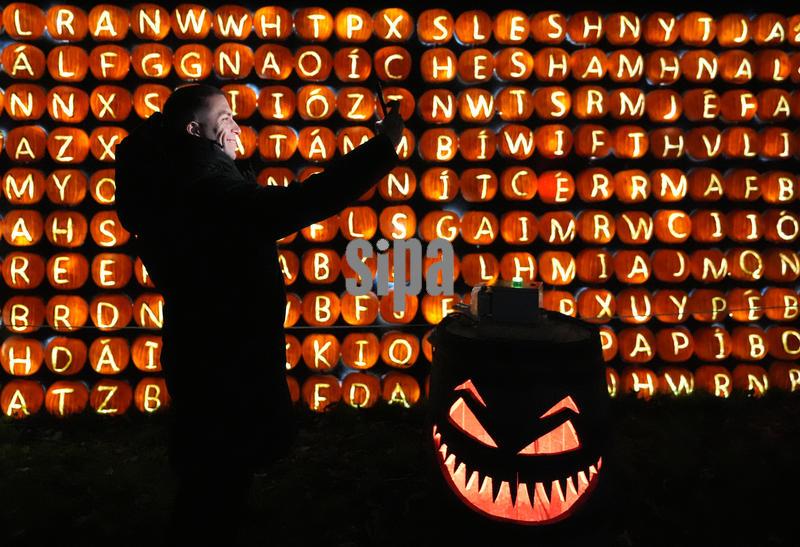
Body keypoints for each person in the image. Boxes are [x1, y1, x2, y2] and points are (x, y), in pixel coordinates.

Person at [114, 83, 404, 545]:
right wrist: (383, 147)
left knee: (216, 472)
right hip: (224, 356)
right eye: (223, 117)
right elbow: (299, 203)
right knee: (215, 479)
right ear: (195, 130)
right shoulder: (205, 190)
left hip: (205, 347)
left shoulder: (172, 178)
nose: (235, 124)